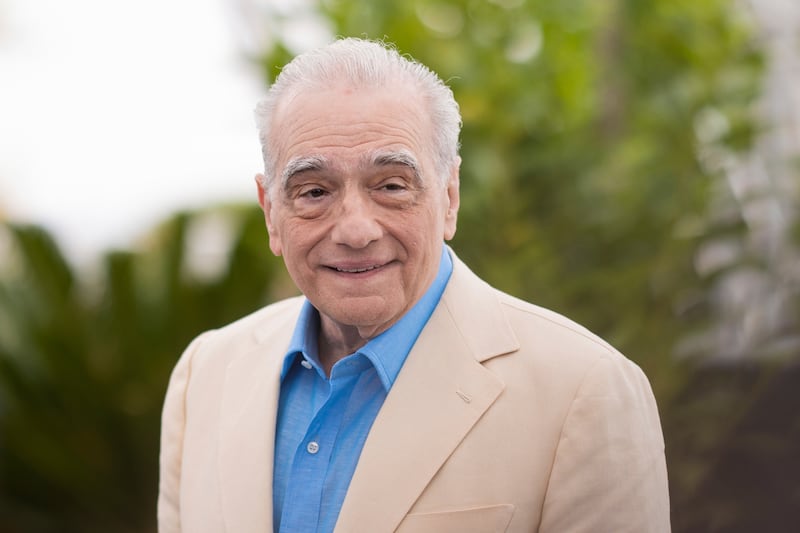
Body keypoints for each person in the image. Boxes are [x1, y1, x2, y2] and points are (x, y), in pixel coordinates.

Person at [158, 37, 670, 533]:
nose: (356, 230)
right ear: (271, 211)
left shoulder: (585, 390)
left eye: (391, 186)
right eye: (314, 190)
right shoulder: (205, 375)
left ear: (449, 196)